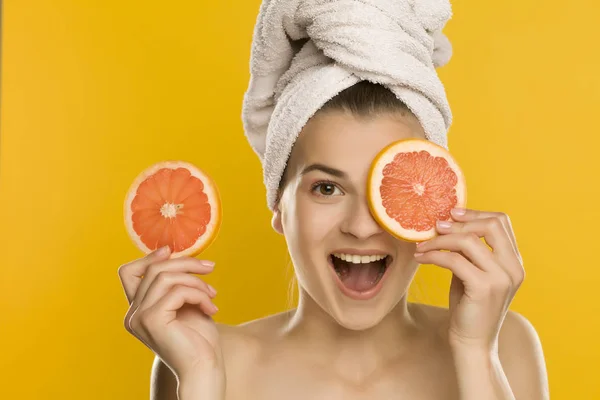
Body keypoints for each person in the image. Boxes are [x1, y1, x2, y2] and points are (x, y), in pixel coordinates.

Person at [118, 1, 549, 399]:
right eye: (327, 188)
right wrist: (200, 376)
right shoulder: (204, 357)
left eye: (393, 190)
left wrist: (474, 353)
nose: (362, 226)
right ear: (279, 208)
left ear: (431, 206)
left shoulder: (504, 346)